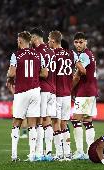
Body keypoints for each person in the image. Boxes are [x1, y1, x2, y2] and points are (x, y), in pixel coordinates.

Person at [6, 31, 48, 162]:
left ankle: (14, 155)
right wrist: (34, 75)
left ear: (20, 41)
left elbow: (12, 74)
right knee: (32, 124)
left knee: (16, 122)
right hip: (35, 91)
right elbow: (45, 73)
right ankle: (32, 155)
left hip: (22, 91)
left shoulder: (16, 55)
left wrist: (11, 76)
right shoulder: (38, 54)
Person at [48, 31, 85, 160]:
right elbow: (81, 70)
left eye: (49, 40)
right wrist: (71, 84)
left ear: (53, 40)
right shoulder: (71, 54)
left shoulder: (52, 54)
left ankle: (59, 153)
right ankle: (68, 153)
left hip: (56, 93)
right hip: (67, 94)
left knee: (55, 122)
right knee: (64, 123)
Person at [30, 27, 57, 160]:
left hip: (43, 89)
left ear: (34, 38)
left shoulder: (37, 52)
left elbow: (43, 72)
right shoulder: (51, 51)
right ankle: (48, 152)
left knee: (39, 121)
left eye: (31, 38)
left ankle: (39, 153)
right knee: (47, 121)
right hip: (52, 89)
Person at [71, 32, 98, 160]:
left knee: (75, 120)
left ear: (86, 42)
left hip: (85, 91)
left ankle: (80, 151)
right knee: (87, 121)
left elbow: (79, 73)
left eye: (81, 42)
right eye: (76, 42)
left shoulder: (84, 55)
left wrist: (69, 89)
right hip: (91, 91)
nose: (78, 44)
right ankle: (90, 152)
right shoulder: (90, 55)